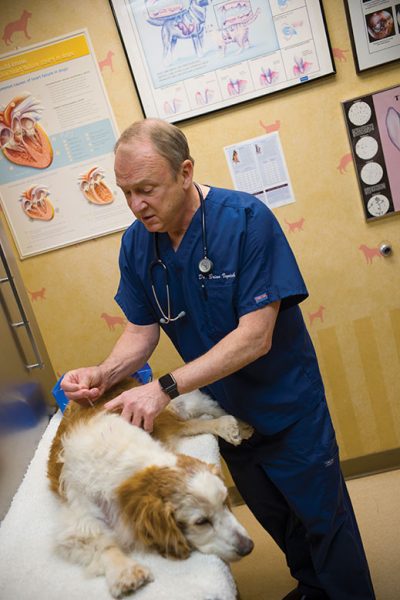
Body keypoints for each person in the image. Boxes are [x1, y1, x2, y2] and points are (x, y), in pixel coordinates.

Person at [62, 118, 375, 600]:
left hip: (286, 403)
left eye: (147, 189)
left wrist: (164, 388)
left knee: (322, 517)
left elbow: (255, 337)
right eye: (126, 192)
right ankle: (312, 588)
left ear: (185, 173)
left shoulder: (246, 221)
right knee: (274, 514)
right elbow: (140, 332)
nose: (136, 204)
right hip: (226, 407)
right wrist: (103, 374)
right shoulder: (136, 243)